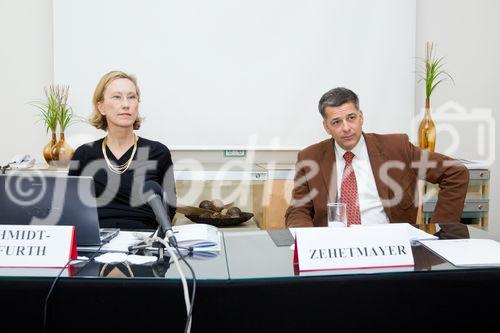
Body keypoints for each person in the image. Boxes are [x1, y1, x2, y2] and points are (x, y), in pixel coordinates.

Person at [285, 87, 469, 238]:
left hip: (390, 246)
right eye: (336, 122)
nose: (346, 128)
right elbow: (298, 210)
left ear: (361, 117)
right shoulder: (310, 157)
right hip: (335, 248)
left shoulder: (397, 148)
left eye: (351, 118)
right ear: (326, 127)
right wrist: (307, 241)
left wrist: (443, 227)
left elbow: (455, 172)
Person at [68, 71, 176, 230]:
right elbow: (72, 208)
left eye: (131, 97)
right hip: (97, 241)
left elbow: (169, 209)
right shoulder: (83, 154)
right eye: (117, 97)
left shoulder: (158, 152)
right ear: (101, 107)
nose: (126, 104)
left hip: (144, 243)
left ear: (137, 104)